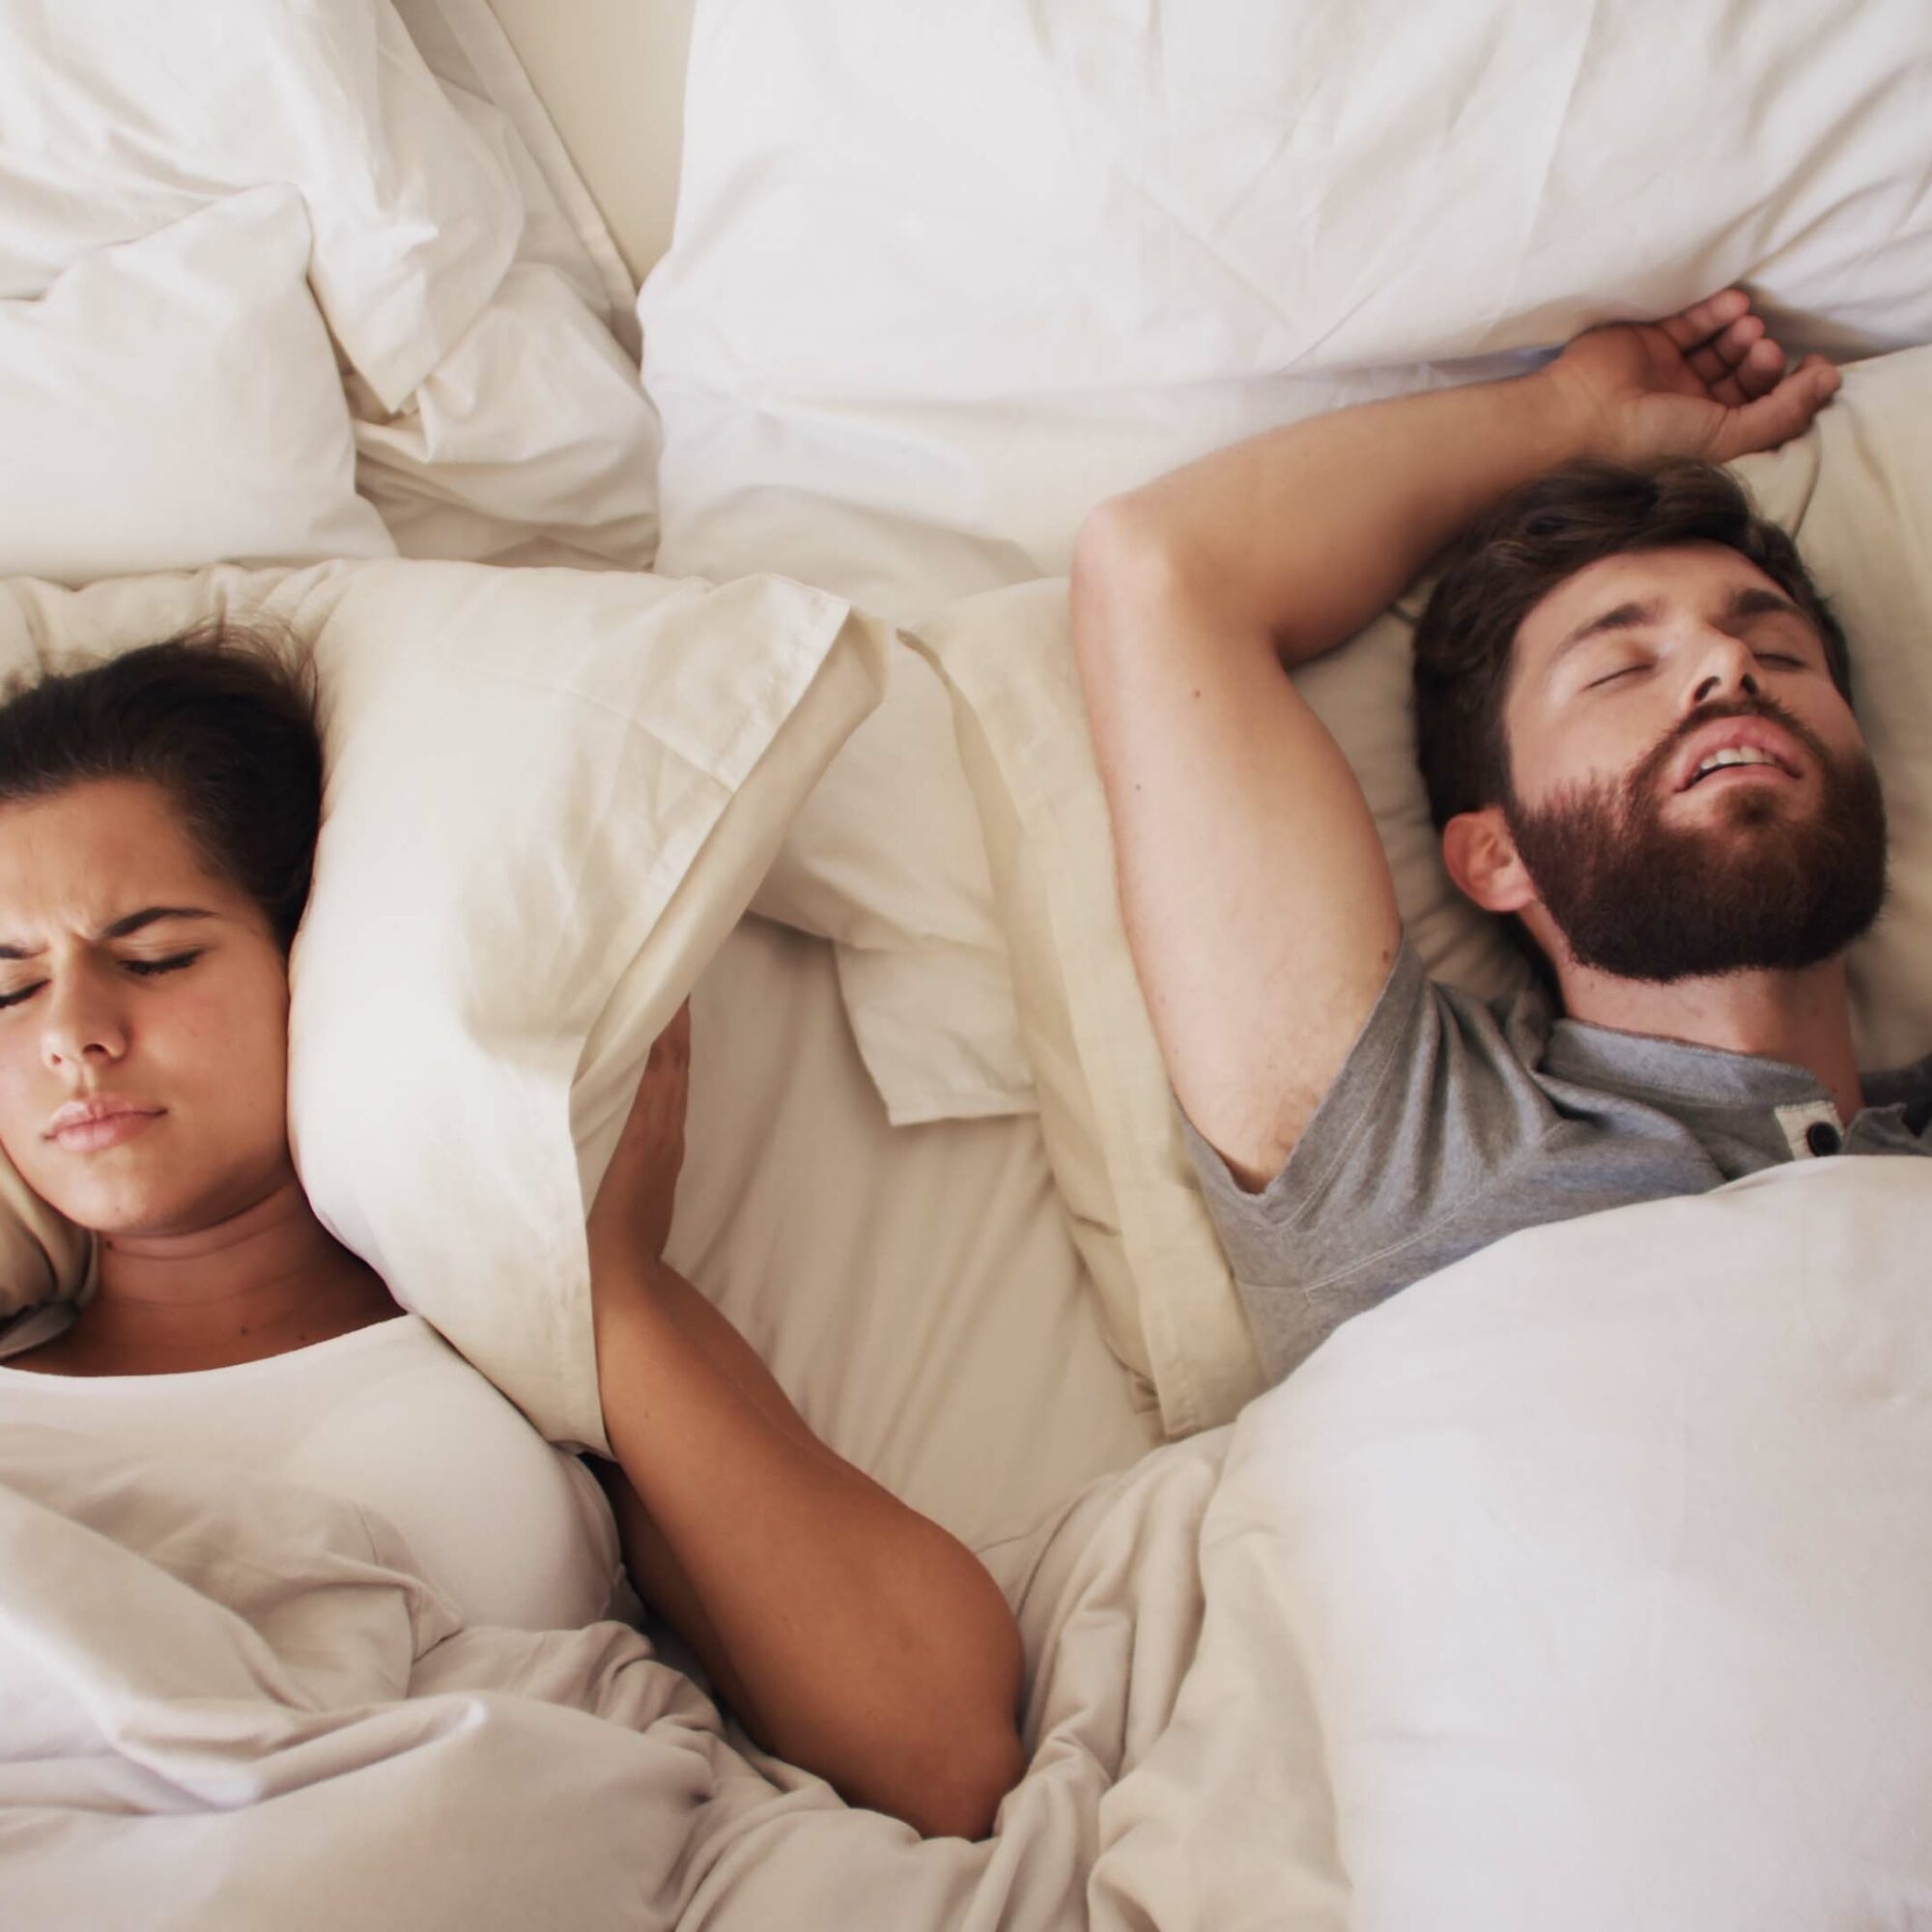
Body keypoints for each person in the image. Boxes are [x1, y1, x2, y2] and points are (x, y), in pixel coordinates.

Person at [0, 633, 1024, 1841]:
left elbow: (939, 1751)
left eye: (154, 956)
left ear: (313, 963)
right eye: (9, 986)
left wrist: (614, 1287)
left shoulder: (520, 1368)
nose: (73, 1030)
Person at [1070, 291, 1932, 1386]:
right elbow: (1161, 567)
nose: (1729, 667)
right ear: (1497, 853)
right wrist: (1572, 413)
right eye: (1621, 667)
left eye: (1780, 654)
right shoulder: (1403, 1164)